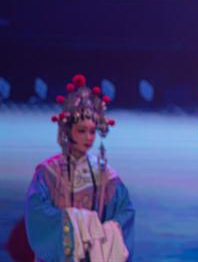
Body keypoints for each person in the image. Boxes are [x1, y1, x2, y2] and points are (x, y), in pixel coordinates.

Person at [25, 74, 135, 262]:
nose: (88, 138)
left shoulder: (106, 174)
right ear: (68, 131)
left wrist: (110, 229)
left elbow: (125, 211)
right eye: (82, 131)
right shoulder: (48, 172)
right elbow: (37, 213)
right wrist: (75, 221)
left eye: (92, 131)